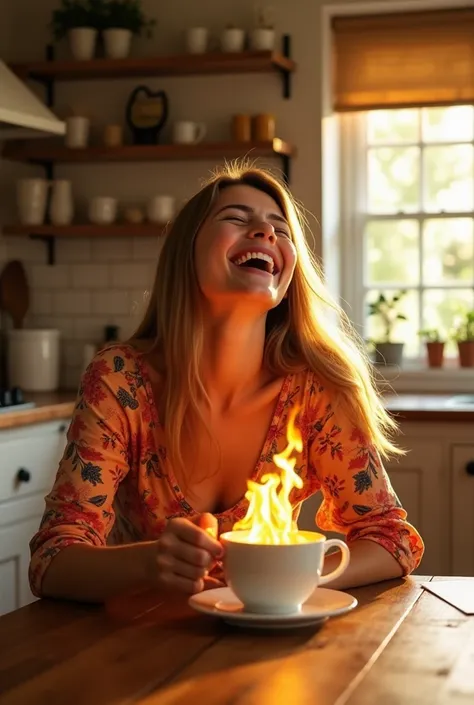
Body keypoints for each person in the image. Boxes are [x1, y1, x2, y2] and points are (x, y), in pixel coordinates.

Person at [29, 163, 424, 604]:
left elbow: (392, 540)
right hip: (135, 644)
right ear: (186, 251)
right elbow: (53, 560)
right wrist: (150, 562)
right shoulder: (119, 381)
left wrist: (288, 577)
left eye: (281, 228)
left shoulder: (318, 388)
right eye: (236, 218)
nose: (266, 233)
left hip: (271, 650)